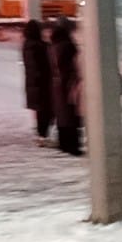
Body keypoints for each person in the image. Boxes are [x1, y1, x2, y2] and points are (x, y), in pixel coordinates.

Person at [49, 18, 83, 156]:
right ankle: (72, 146)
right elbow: (74, 65)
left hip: (57, 85)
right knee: (71, 116)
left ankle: (64, 144)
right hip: (68, 84)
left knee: (62, 116)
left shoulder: (53, 46)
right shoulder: (68, 46)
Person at [22, 20, 54, 145]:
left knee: (42, 109)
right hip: (42, 82)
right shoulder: (38, 46)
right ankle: (43, 135)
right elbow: (42, 64)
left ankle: (42, 134)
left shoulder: (28, 45)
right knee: (45, 109)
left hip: (33, 82)